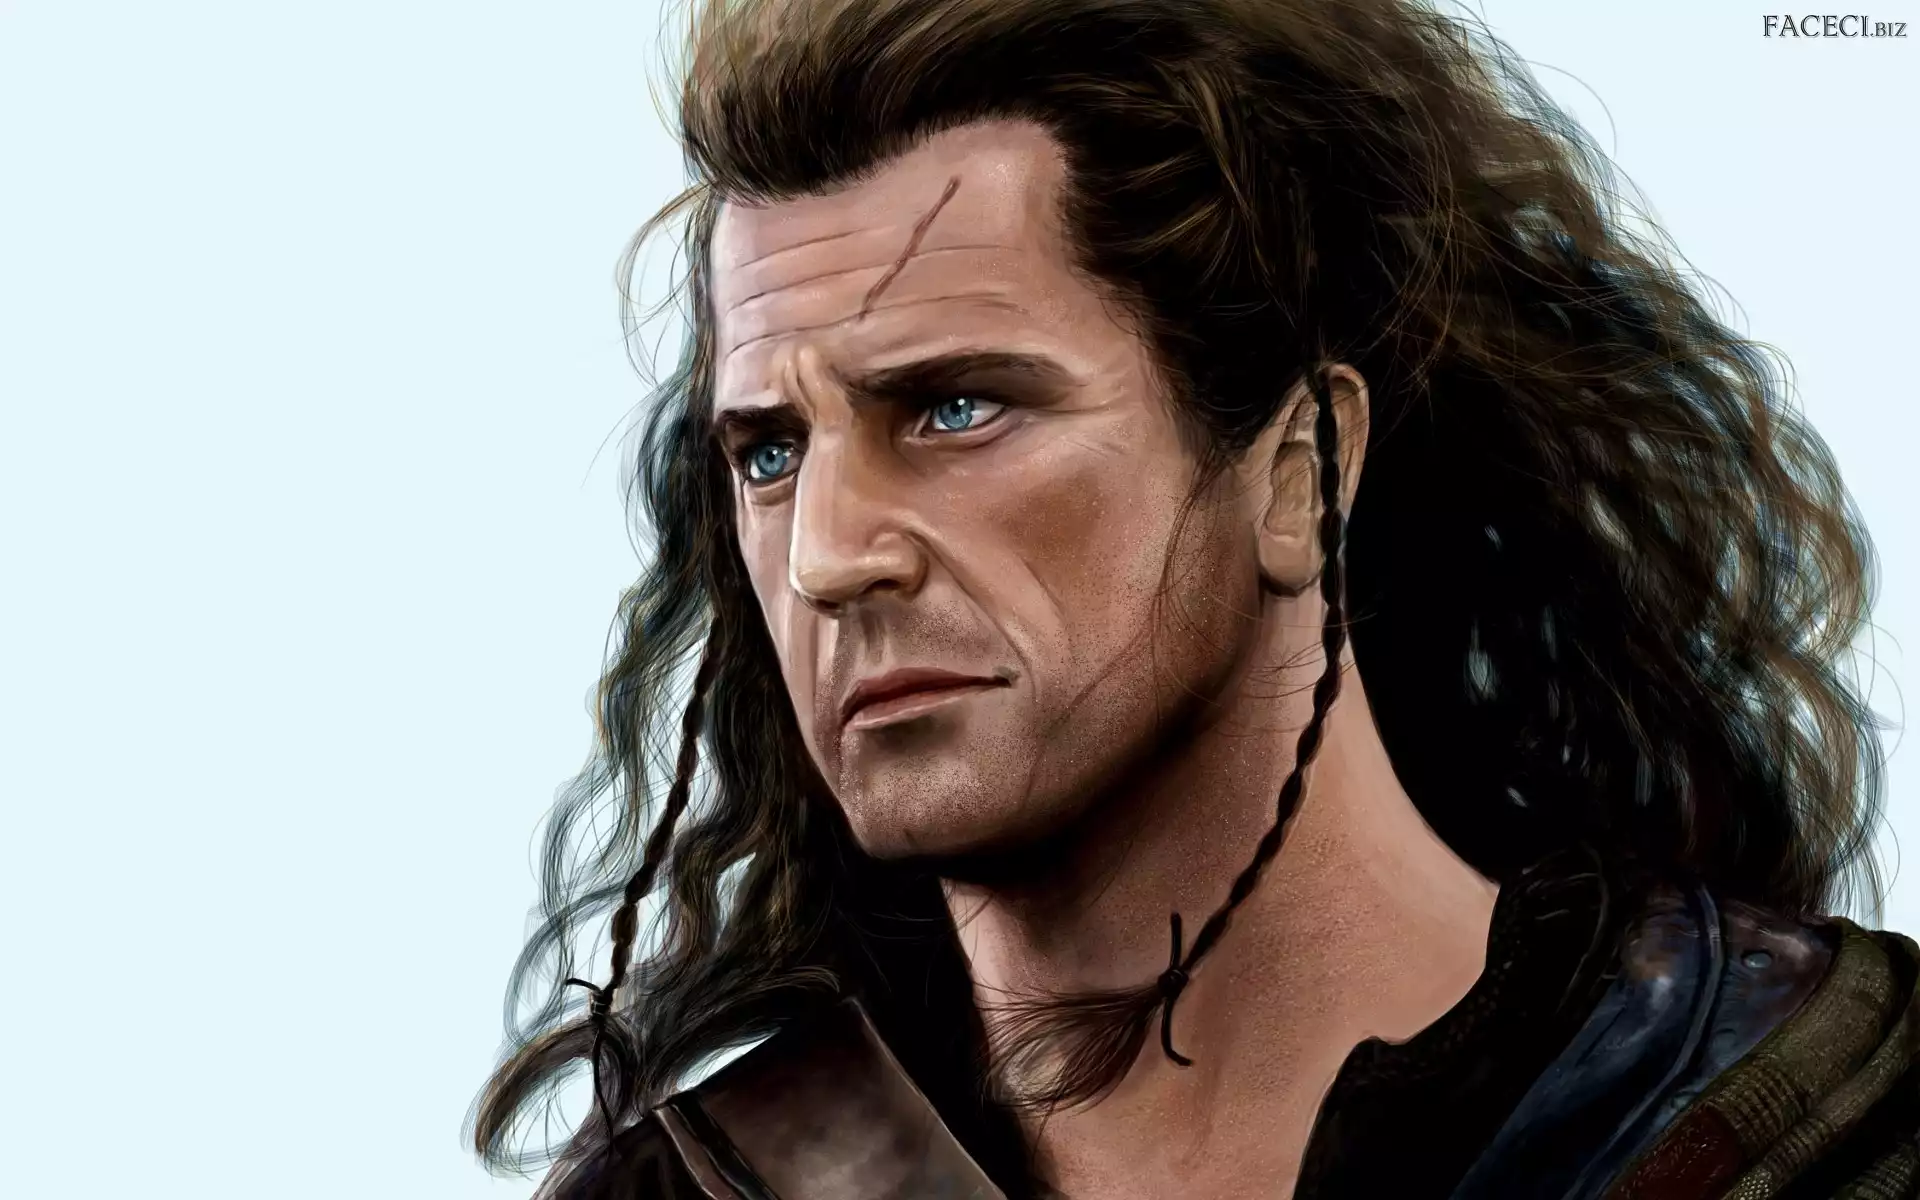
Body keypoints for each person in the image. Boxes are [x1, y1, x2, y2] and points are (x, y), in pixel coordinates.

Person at [471, 0, 1917, 1196]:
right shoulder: (698, 1189)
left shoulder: (1818, 1116)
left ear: (1299, 472)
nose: (828, 557)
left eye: (957, 407)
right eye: (771, 453)